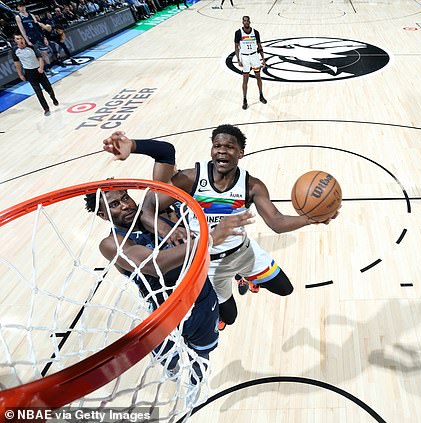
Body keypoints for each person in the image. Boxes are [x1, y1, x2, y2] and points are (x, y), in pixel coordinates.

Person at [101, 125, 338, 330]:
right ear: (212, 150)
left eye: (230, 146)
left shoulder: (251, 185)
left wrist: (311, 218)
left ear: (241, 153)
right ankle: (237, 283)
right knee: (230, 318)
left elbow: (276, 222)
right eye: (217, 145)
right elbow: (149, 206)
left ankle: (249, 276)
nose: (222, 150)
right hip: (209, 263)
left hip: (244, 253)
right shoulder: (191, 179)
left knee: (285, 289)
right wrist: (166, 230)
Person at [85, 150, 255, 380]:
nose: (125, 205)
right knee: (168, 355)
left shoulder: (156, 212)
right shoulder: (112, 244)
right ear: (103, 215)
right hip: (163, 311)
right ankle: (173, 372)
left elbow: (165, 153)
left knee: (202, 353)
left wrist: (134, 145)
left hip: (201, 298)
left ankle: (196, 380)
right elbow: (156, 265)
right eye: (115, 204)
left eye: (125, 197)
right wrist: (212, 237)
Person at [12, 34, 59, 116]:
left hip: (38, 70)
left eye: (21, 38)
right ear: (15, 41)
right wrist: (20, 74)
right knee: (38, 92)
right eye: (18, 39)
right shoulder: (15, 50)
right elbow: (17, 64)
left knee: (48, 88)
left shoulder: (31, 47)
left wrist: (41, 67)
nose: (20, 40)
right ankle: (46, 108)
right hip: (29, 73)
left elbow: (40, 58)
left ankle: (53, 98)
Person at [234, 16, 266, 110]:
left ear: (250, 22)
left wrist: (263, 58)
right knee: (245, 80)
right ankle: (244, 100)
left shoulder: (255, 32)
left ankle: (261, 95)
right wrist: (238, 59)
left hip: (254, 56)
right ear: (242, 22)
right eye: (244, 21)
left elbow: (259, 46)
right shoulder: (238, 32)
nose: (246, 22)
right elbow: (236, 46)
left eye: (247, 21)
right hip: (245, 57)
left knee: (258, 77)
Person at [15, 2, 55, 75]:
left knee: (44, 53)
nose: (22, 8)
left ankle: (50, 68)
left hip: (38, 36)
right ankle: (43, 71)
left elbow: (38, 27)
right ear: (18, 8)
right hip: (30, 38)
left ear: (25, 7)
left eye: (23, 6)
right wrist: (27, 40)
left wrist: (44, 37)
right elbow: (22, 30)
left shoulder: (31, 15)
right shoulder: (18, 17)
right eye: (20, 6)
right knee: (37, 56)